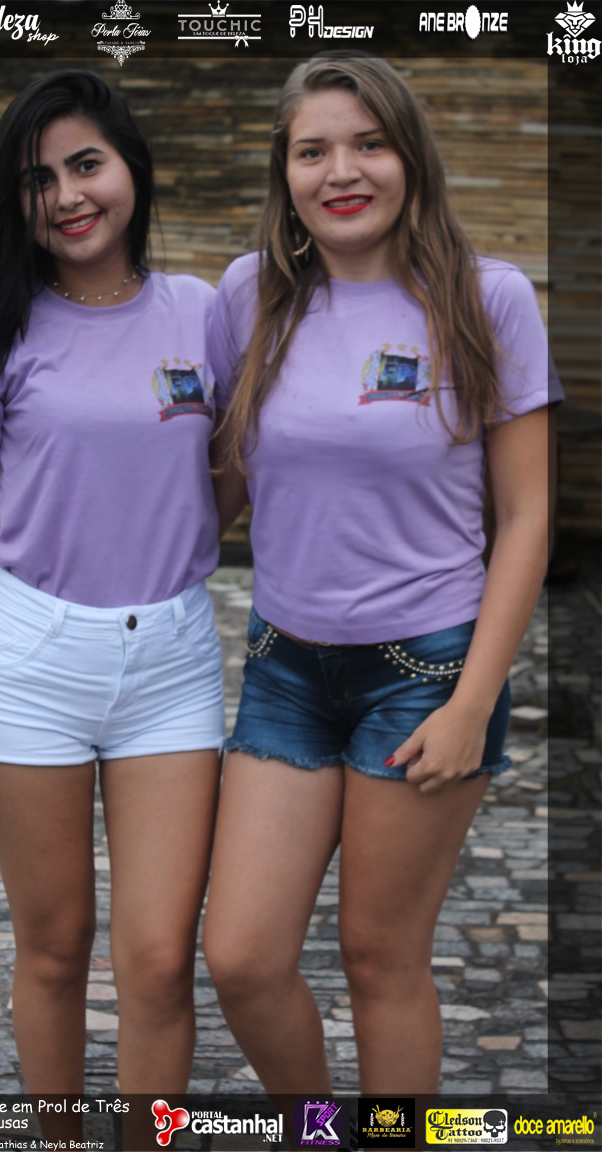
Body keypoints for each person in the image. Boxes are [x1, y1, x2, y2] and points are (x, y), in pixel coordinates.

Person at [0, 71, 224, 1144]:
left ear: (130, 169)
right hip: (32, 660)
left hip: (171, 664)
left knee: (158, 960)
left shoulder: (203, 312)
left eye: (86, 165)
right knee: (57, 947)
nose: (68, 196)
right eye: (38, 180)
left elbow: (244, 467)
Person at [202, 53, 551, 1102]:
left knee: (379, 955)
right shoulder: (251, 294)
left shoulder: (488, 298)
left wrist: (472, 703)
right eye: (313, 151)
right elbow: (217, 488)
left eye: (368, 144)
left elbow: (527, 518)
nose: (341, 171)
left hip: (426, 674)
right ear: (286, 171)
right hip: (285, 667)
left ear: (411, 157)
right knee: (243, 958)